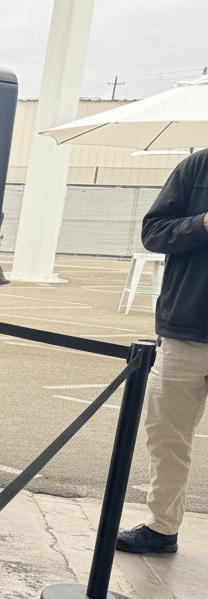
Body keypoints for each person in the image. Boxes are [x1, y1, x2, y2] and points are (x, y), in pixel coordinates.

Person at [117, 148, 208, 554]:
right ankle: (162, 527)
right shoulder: (197, 167)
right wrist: (201, 223)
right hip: (184, 332)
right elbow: (153, 231)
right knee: (167, 437)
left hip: (184, 327)